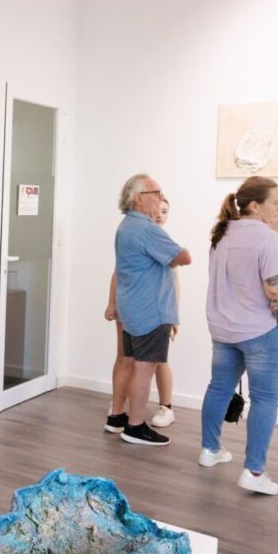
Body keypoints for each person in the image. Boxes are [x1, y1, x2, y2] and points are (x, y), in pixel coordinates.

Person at [199, 176, 278, 495]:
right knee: (264, 399)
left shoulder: (220, 235)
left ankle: (209, 450)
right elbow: (275, 289)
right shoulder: (266, 238)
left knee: (218, 388)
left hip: (223, 329)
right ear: (255, 205)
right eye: (276, 203)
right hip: (260, 331)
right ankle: (254, 471)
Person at [107, 174, 191, 445]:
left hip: (132, 309)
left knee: (131, 364)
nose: (161, 196)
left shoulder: (126, 226)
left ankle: (118, 417)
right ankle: (135, 426)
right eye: (157, 192)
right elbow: (183, 257)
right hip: (150, 311)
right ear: (138, 198)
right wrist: (182, 251)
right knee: (145, 368)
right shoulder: (147, 230)